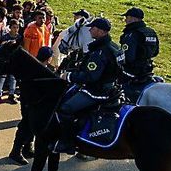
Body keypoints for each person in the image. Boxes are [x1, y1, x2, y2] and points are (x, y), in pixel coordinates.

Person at [51, 17, 123, 154]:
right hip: (112, 88)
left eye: (93, 28)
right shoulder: (115, 47)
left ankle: (67, 142)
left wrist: (69, 76)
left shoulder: (100, 52)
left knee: (65, 109)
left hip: (96, 91)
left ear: (101, 31)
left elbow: (90, 77)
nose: (90, 30)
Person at [119, 7, 159, 100]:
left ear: (134, 18)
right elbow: (156, 52)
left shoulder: (131, 34)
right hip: (147, 69)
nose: (125, 20)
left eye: (127, 17)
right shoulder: (150, 32)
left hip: (132, 70)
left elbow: (128, 57)